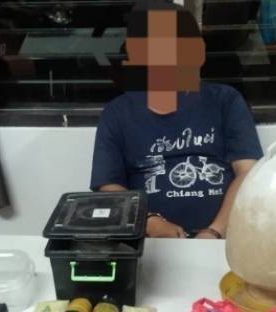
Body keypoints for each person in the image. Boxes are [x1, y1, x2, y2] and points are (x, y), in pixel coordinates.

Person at [90, 0, 263, 239]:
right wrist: (148, 221)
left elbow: (248, 173)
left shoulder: (226, 100)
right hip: (149, 241)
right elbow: (109, 187)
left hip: (223, 239)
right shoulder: (116, 113)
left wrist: (214, 231)